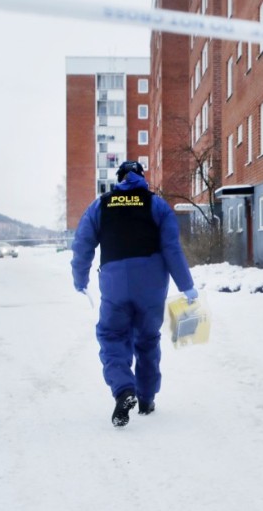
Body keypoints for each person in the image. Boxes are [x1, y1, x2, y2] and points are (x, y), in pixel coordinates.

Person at [71, 160, 198, 427]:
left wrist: (80, 279)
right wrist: (186, 285)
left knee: (111, 335)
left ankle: (123, 389)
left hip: (115, 283)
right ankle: (147, 398)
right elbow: (172, 249)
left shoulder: (101, 205)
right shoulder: (157, 205)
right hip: (151, 285)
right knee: (148, 339)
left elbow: (83, 245)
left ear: (119, 179)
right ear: (143, 178)